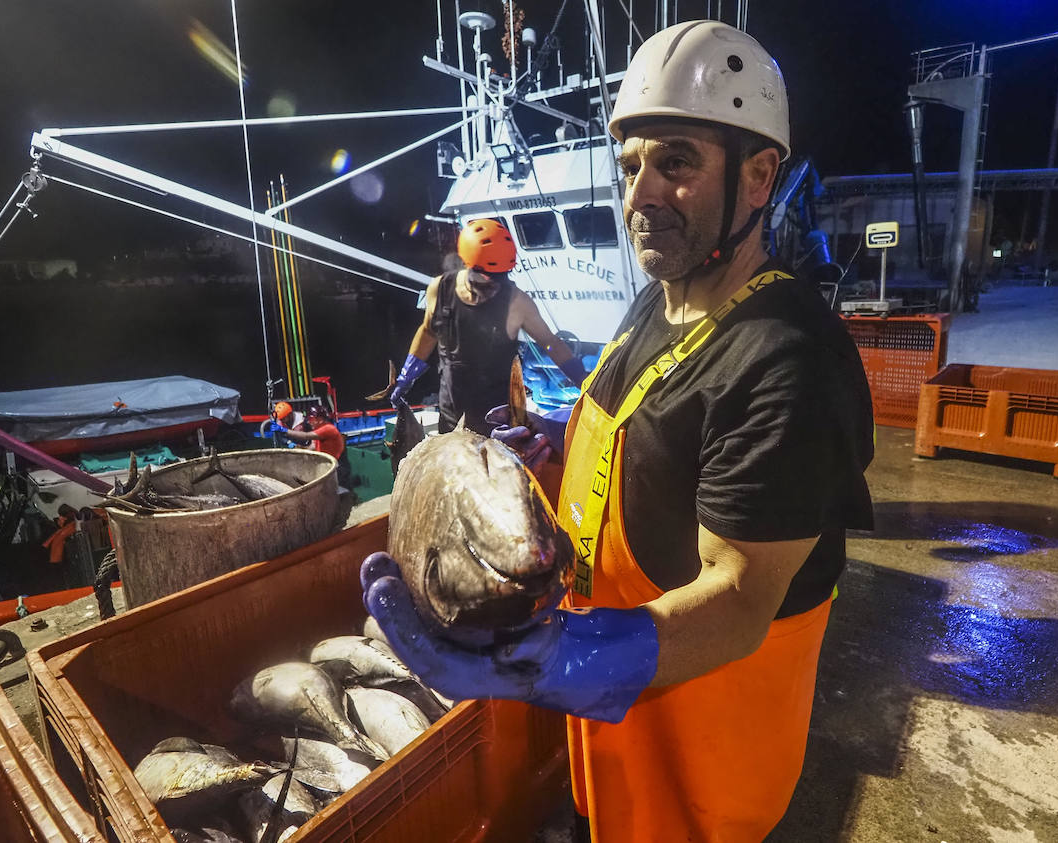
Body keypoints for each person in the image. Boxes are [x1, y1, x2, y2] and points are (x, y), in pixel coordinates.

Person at [362, 20, 874, 843]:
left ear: (758, 175)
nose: (640, 197)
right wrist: (554, 450)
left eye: (676, 162)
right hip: (617, 744)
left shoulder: (788, 362)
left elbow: (740, 599)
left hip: (706, 779)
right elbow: (637, 432)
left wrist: (553, 660)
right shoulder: (663, 300)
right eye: (631, 165)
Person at [389, 217, 587, 434]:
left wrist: (583, 381)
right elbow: (428, 332)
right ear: (467, 264)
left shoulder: (517, 303)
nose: (494, 285)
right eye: (487, 278)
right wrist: (406, 376)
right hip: (451, 418)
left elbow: (551, 343)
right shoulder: (440, 289)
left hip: (499, 423)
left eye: (500, 278)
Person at [280, 404, 350, 489]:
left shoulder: (328, 428)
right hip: (328, 467)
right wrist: (297, 450)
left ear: (320, 420)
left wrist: (285, 431)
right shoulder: (318, 431)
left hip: (338, 470)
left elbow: (306, 436)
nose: (309, 422)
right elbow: (312, 448)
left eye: (311, 419)